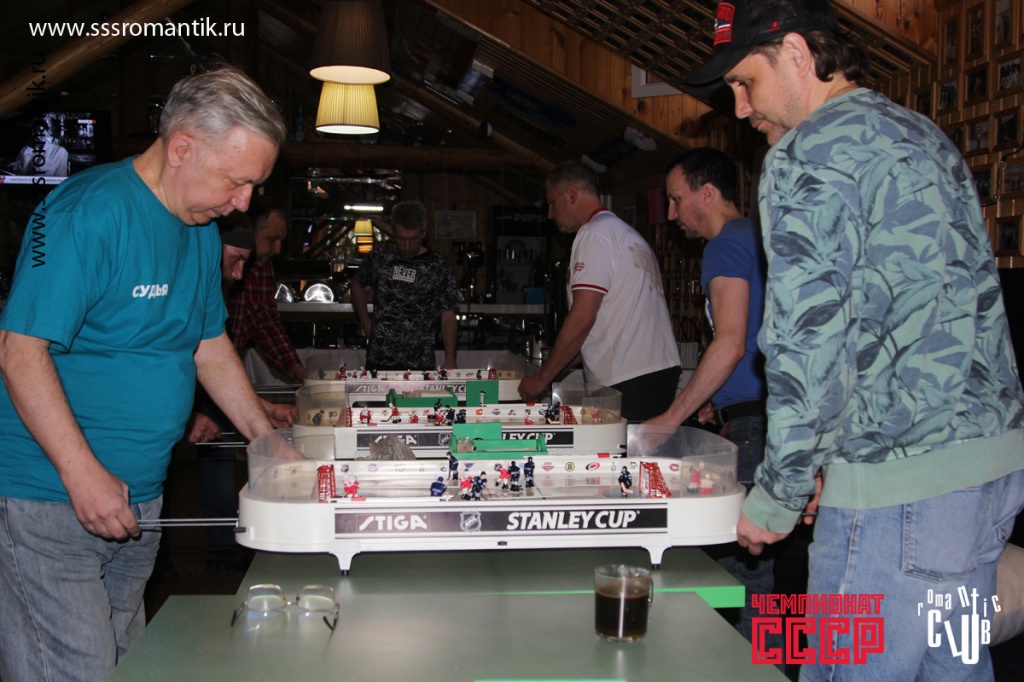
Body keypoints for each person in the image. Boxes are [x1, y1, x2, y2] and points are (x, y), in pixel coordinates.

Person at [684, 1, 1024, 679]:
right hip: (987, 480)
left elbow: (808, 344)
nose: (741, 108)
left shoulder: (805, 154)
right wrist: (825, 464)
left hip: (899, 495)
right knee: (954, 670)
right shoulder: (920, 132)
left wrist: (778, 493)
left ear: (798, 54)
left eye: (745, 82)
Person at [0, 66, 286, 682]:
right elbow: (19, 351)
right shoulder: (85, 211)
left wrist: (266, 440)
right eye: (236, 181)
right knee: (76, 669)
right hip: (50, 495)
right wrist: (82, 474)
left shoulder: (200, 230)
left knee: (128, 662)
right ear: (181, 148)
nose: (244, 203)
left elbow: (207, 345)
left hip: (140, 494)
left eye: (253, 187)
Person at [647, 147, 774, 643]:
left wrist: (671, 417)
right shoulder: (757, 237)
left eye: (676, 199)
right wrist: (711, 396)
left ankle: (746, 668)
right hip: (766, 413)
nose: (671, 213)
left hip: (753, 426)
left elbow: (731, 342)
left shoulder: (724, 246)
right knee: (763, 572)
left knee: (740, 574)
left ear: (707, 193)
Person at [517, 160, 680, 421]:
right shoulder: (628, 234)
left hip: (627, 378)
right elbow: (595, 332)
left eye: (553, 203)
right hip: (659, 373)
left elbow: (582, 318)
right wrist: (551, 371)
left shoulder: (593, 234)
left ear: (571, 195)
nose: (550, 214)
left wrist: (542, 378)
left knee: (616, 449)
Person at [350, 201, 462, 371]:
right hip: (379, 358)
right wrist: (365, 321)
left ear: (424, 233)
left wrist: (450, 357)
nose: (407, 246)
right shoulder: (380, 257)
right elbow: (357, 284)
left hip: (420, 362)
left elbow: (448, 314)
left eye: (413, 239)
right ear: (393, 232)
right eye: (401, 239)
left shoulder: (438, 266)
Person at [225, 195, 307, 383]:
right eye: (272, 239)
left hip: (225, 375)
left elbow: (266, 324)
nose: (277, 249)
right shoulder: (216, 265)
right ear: (249, 230)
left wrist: (295, 369)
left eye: (281, 240)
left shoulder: (263, 270)